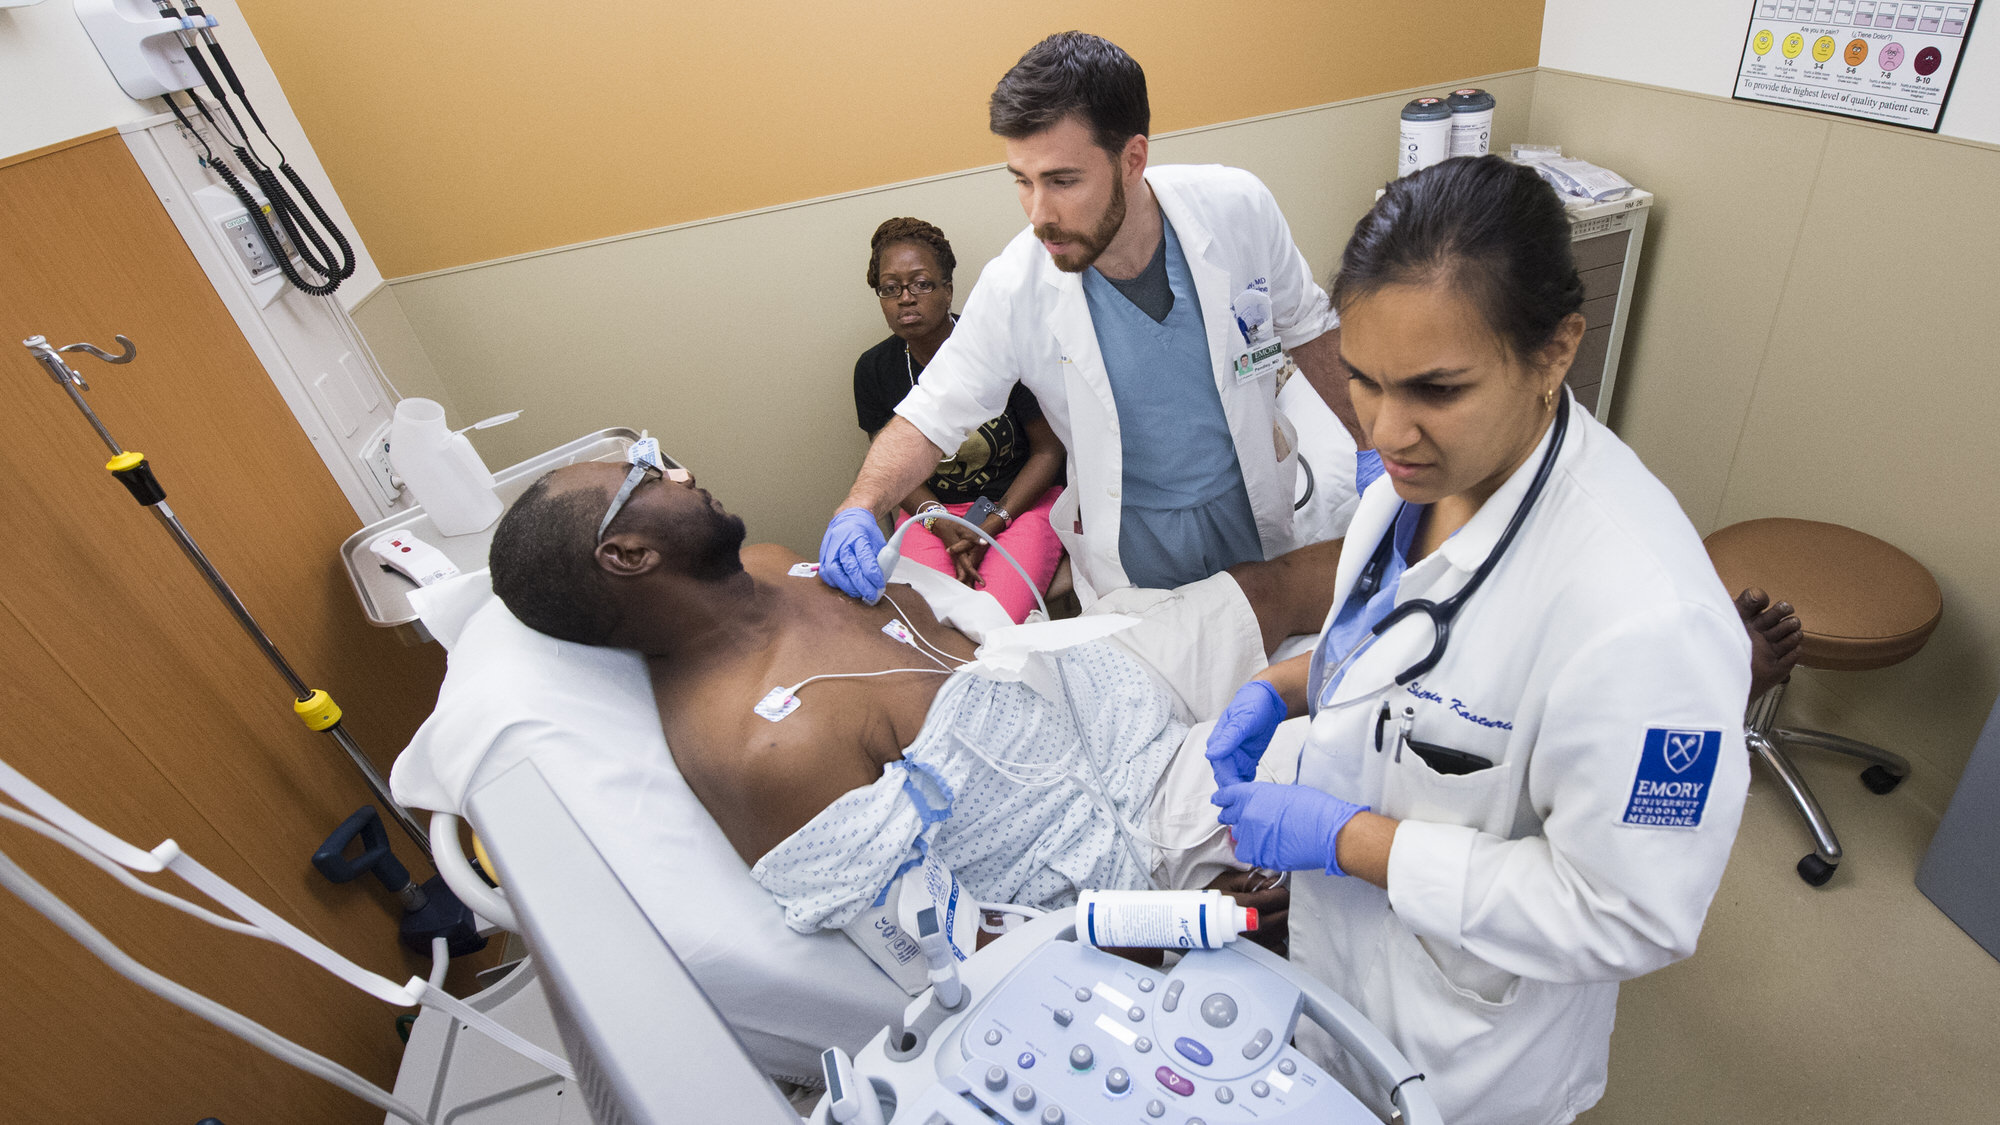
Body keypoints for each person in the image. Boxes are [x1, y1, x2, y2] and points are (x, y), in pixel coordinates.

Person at [1200, 156, 1754, 1125]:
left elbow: (1628, 912)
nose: (1385, 429)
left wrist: (1348, 839)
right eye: (1365, 381)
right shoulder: (1405, 491)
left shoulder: (1644, 617)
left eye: (1435, 389)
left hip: (1471, 1052)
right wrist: (1282, 685)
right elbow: (1391, 650)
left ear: (1553, 353)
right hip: (1343, 981)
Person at [486, 459, 1343, 939]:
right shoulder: (762, 747)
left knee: (1283, 584)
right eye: (647, 471)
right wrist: (1166, 921)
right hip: (1128, 816)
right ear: (629, 556)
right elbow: (944, 940)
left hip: (1084, 673)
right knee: (1362, 753)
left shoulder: (757, 564)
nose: (679, 467)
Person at [819, 31, 1357, 610]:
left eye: (1062, 180)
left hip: (1252, 516)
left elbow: (1308, 329)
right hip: (1134, 551)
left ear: (1132, 159)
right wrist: (861, 504)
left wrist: (1372, 451)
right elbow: (931, 415)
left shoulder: (1237, 209)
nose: (1039, 214)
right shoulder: (1015, 287)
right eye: (1022, 181)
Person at [853, 217, 1066, 622]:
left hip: (1020, 505)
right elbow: (896, 470)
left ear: (948, 288)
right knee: (927, 620)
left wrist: (993, 523)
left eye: (921, 283)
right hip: (929, 513)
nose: (905, 298)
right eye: (890, 288)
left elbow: (1048, 451)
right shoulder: (874, 370)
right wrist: (938, 520)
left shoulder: (1001, 349)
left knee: (993, 619)